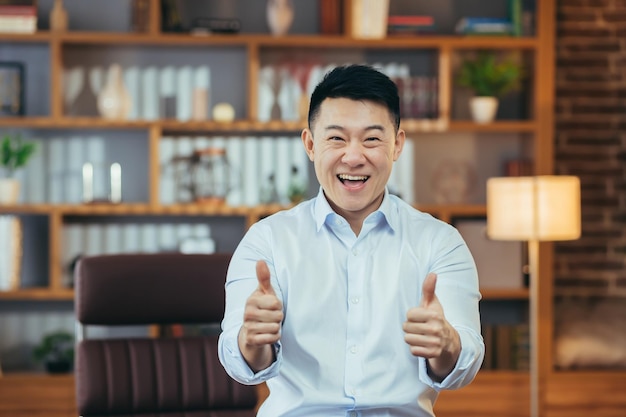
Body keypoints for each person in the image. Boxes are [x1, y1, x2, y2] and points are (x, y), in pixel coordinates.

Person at [218, 64, 484, 417]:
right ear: (311, 145)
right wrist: (253, 339)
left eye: (372, 138)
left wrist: (446, 345)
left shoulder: (440, 243)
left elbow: (463, 364)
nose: (354, 157)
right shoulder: (267, 241)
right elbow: (238, 362)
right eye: (336, 138)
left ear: (397, 145)